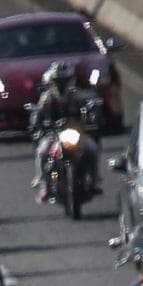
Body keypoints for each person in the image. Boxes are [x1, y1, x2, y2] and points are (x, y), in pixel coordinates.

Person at [29, 61, 97, 192]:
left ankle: (95, 179)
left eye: (65, 80)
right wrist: (37, 123)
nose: (62, 84)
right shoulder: (47, 97)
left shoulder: (77, 95)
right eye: (59, 80)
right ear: (52, 81)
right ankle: (43, 182)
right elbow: (39, 112)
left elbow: (89, 108)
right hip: (54, 134)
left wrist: (91, 117)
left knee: (92, 148)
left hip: (76, 133)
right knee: (42, 152)